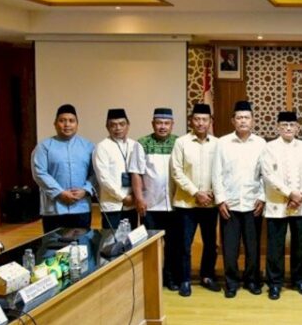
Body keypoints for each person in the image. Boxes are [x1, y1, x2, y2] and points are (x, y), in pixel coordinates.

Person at [212, 101, 266, 298]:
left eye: (247, 117)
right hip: (230, 204)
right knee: (230, 248)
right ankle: (231, 282)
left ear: (252, 121)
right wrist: (220, 200)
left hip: (253, 204)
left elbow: (264, 175)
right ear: (233, 121)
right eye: (239, 117)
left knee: (253, 247)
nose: (243, 121)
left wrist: (262, 197)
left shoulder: (261, 144)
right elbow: (216, 173)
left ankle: (252, 281)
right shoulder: (222, 143)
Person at [260, 111, 302, 300]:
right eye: (284, 125)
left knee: (300, 245)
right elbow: (268, 175)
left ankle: (300, 281)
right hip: (277, 203)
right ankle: (275, 283)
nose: (288, 128)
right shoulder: (269, 147)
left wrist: (301, 194)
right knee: (275, 246)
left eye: (292, 125)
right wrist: (289, 193)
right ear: (278, 127)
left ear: (297, 127)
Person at [170, 103, 219, 297]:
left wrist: (212, 193)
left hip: (210, 202)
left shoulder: (217, 144)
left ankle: (207, 276)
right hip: (186, 203)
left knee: (210, 242)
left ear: (210, 122)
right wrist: (196, 192)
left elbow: (222, 171)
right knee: (184, 243)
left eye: (204, 119)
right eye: (197, 119)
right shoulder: (181, 143)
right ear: (191, 121)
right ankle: (185, 279)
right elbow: (176, 171)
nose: (200, 123)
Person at [134, 107, 179, 291]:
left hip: (175, 204)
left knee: (174, 244)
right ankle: (151, 278)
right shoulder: (142, 143)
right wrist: (138, 198)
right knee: (151, 245)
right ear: (153, 124)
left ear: (172, 124)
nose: (162, 127)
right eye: (159, 123)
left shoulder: (179, 142)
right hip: (150, 204)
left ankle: (170, 277)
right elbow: (136, 173)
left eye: (166, 123)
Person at [32, 104, 95, 232]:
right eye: (62, 120)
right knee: (54, 247)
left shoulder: (88, 146)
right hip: (54, 208)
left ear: (77, 124)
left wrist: (86, 190)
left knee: (81, 247)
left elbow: (95, 174)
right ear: (55, 124)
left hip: (81, 206)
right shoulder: (44, 147)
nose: (67, 125)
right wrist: (60, 193)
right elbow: (39, 173)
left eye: (71, 121)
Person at [93, 108, 145, 229]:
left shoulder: (135, 145)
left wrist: (135, 196)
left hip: (132, 203)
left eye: (122, 124)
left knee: (130, 242)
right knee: (111, 243)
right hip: (112, 205)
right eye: (113, 125)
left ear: (128, 125)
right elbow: (103, 178)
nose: (118, 128)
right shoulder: (102, 147)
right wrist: (122, 197)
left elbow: (139, 172)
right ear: (107, 127)